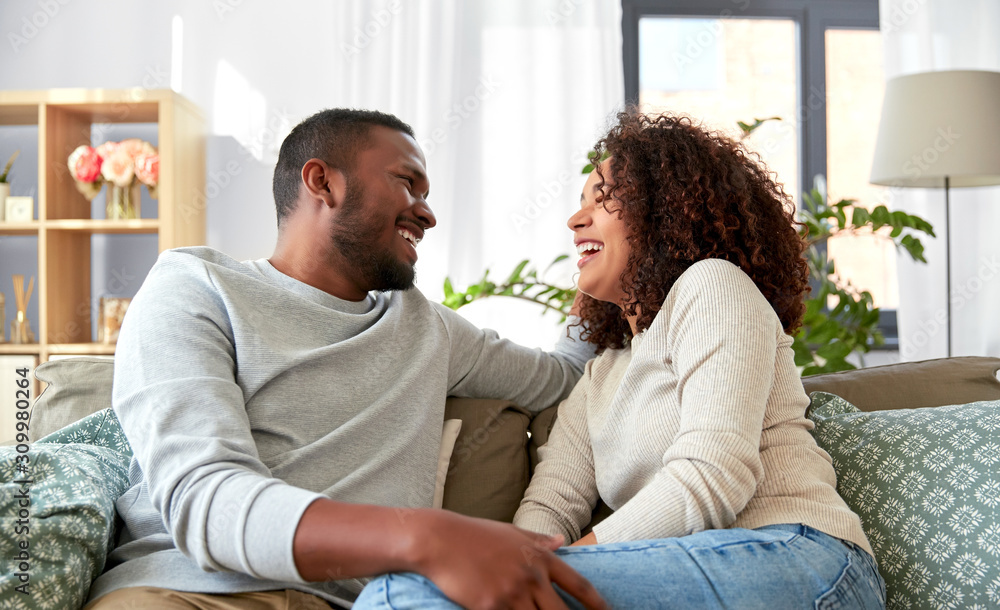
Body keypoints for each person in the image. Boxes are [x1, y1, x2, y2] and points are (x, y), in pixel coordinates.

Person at [353, 111, 887, 608]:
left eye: (603, 197)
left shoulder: (714, 287)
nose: (574, 218)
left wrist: (548, 568)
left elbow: (714, 475)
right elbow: (549, 508)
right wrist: (518, 559)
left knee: (403, 597)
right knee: (414, 593)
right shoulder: (601, 373)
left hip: (801, 560)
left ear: (669, 211)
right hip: (701, 569)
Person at [84, 109, 608, 610]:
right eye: (407, 183)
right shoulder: (194, 288)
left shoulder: (428, 327)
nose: (427, 213)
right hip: (187, 592)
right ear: (323, 182)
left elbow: (562, 377)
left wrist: (599, 268)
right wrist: (427, 538)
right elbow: (208, 503)